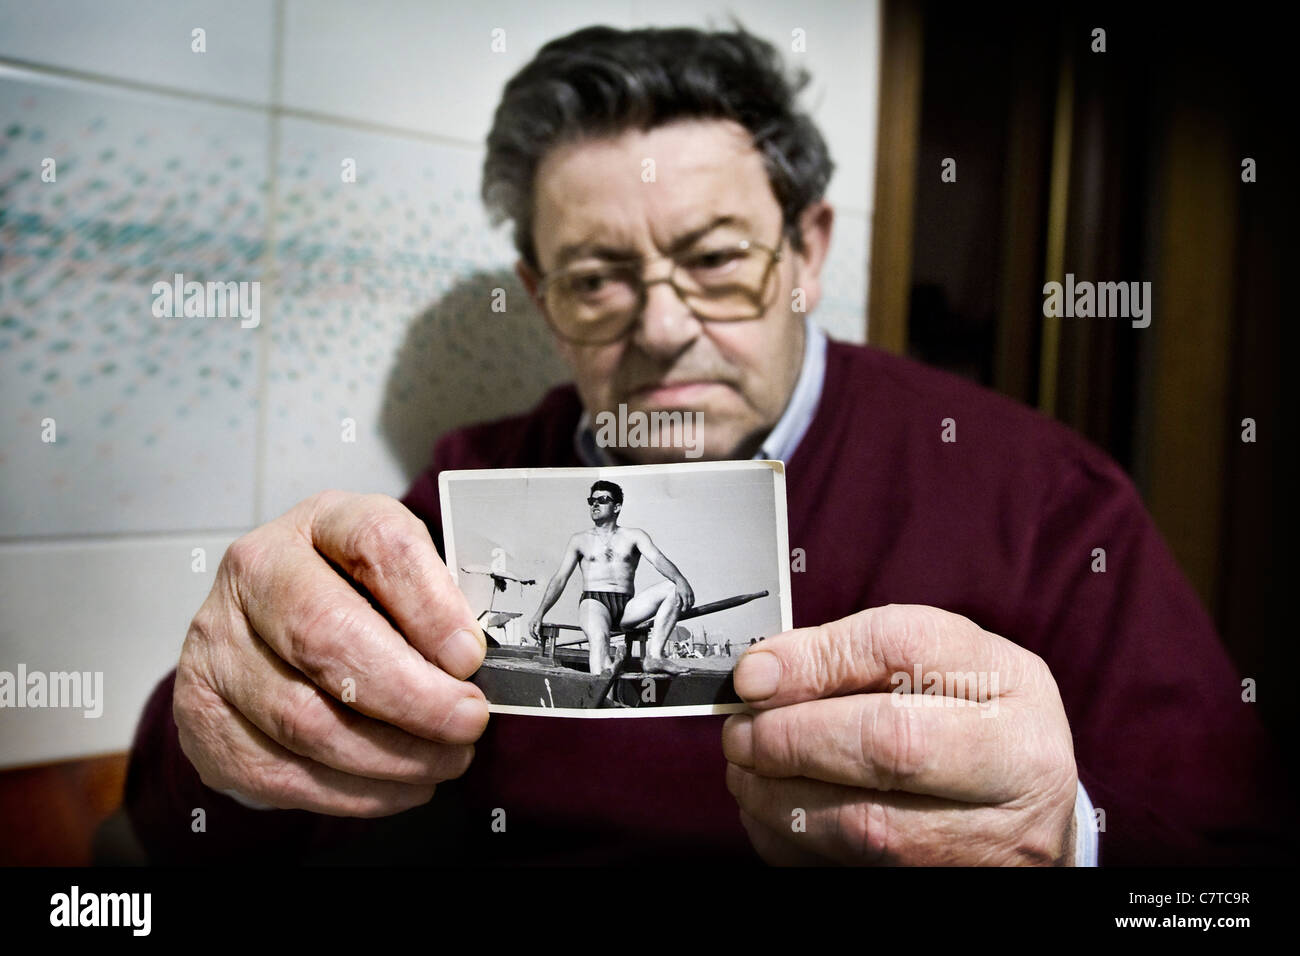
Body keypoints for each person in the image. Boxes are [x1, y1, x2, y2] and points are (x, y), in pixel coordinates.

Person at [124, 24, 1294, 866]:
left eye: (719, 258)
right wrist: (217, 732)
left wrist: (1066, 837)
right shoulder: (474, 485)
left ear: (809, 250)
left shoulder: (1042, 500)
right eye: (596, 277)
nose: (666, 324)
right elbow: (188, 817)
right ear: (539, 296)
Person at [527, 481, 696, 675]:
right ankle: (603, 679)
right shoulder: (579, 540)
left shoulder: (634, 536)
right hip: (595, 602)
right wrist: (540, 612)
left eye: (602, 500)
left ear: (617, 507)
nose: (595, 504)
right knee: (599, 637)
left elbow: (657, 559)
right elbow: (560, 578)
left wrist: (680, 580)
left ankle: (654, 656)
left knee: (673, 588)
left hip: (627, 607)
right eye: (592, 500)